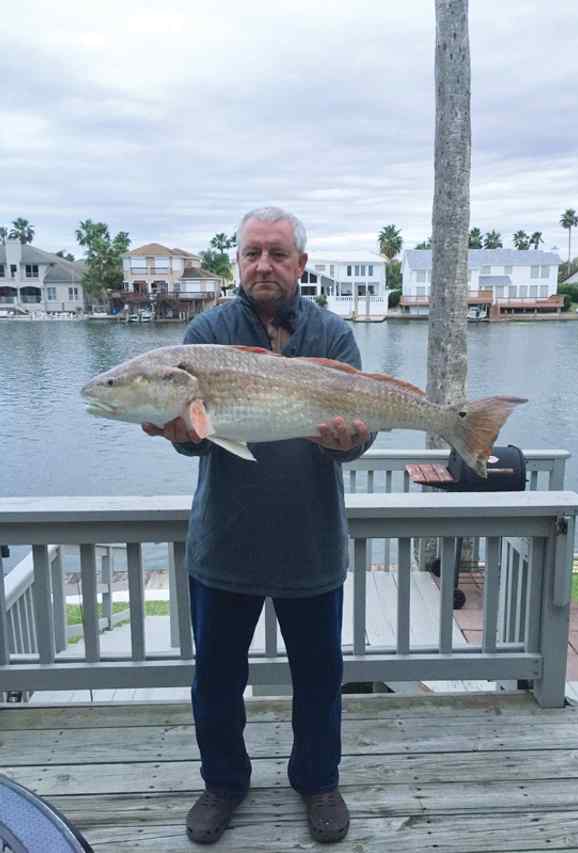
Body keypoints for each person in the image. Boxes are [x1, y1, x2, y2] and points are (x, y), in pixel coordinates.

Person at [143, 206, 375, 845]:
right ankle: (222, 783)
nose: (263, 265)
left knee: (320, 679)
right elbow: (197, 443)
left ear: (302, 263)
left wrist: (347, 442)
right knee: (216, 679)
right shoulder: (205, 334)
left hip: (312, 543)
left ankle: (318, 781)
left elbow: (359, 438)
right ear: (237, 262)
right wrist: (178, 433)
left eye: (277, 254)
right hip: (226, 543)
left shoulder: (332, 335)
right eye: (252, 253)